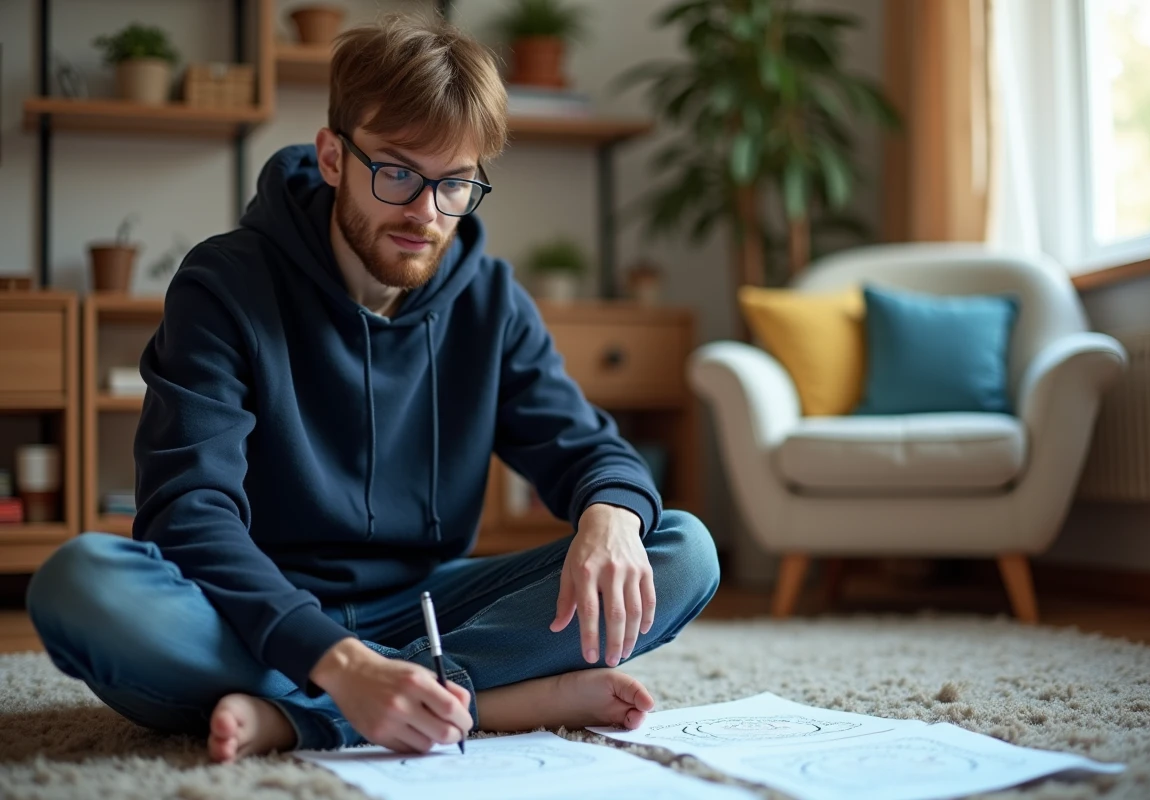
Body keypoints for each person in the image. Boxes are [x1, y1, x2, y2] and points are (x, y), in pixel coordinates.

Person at [25, 13, 720, 763]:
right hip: (258, 613)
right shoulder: (224, 285)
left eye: (453, 183)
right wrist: (340, 662)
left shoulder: (488, 298)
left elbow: (586, 447)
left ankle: (316, 719)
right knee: (81, 582)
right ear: (332, 156)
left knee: (681, 549)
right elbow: (189, 515)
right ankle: (476, 699)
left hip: (425, 609)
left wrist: (611, 516)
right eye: (396, 172)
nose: (425, 212)